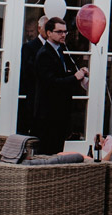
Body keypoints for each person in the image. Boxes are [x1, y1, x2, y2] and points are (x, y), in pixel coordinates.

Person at [32, 13, 89, 156]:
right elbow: (51, 83)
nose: (63, 35)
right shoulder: (45, 53)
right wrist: (74, 78)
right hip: (48, 112)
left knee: (58, 150)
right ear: (49, 33)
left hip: (59, 111)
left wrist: (78, 72)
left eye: (65, 31)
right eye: (59, 32)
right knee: (48, 152)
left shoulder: (60, 50)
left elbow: (62, 74)